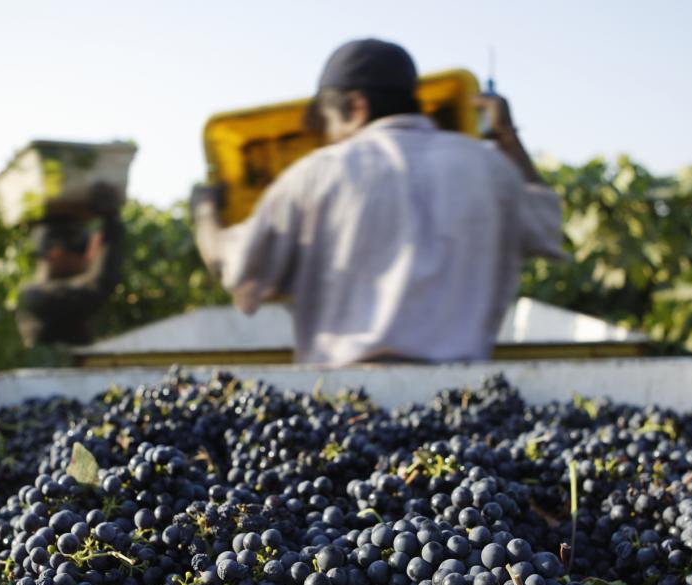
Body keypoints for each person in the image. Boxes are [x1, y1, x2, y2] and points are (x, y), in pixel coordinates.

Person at [190, 38, 566, 366]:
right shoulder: (490, 169)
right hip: (463, 410)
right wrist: (507, 137)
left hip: (345, 410)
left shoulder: (317, 174)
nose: (329, 138)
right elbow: (548, 225)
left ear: (356, 107)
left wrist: (205, 211)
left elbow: (234, 266)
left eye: (328, 123)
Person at [16, 182, 126, 346]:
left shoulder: (38, 294)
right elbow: (97, 285)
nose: (89, 258)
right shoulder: (35, 297)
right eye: (82, 250)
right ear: (56, 253)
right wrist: (113, 223)